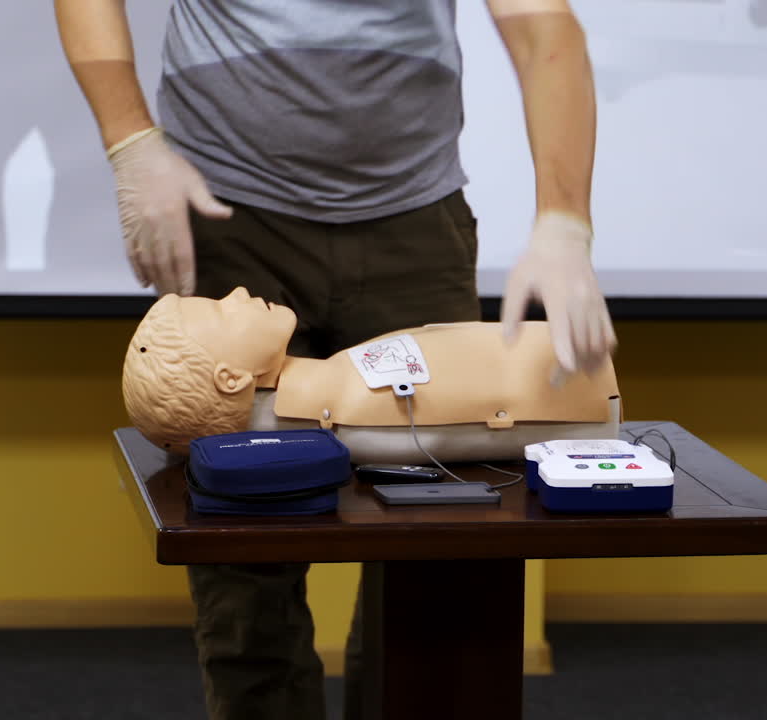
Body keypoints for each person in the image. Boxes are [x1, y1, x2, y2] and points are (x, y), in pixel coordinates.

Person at [54, 1, 616, 718]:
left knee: (442, 537)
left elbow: (542, 22)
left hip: (413, 217)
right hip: (231, 212)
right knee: (242, 558)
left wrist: (565, 220)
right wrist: (130, 140)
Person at [121, 287, 620, 463]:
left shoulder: (336, 387)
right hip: (581, 392)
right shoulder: (339, 402)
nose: (236, 293)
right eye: (222, 312)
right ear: (231, 380)